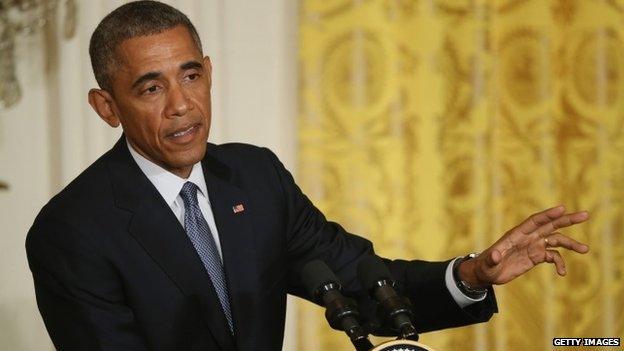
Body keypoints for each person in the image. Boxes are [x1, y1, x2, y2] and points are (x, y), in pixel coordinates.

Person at [25, 1, 590, 351]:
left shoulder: (254, 176)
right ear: (106, 106)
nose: (182, 104)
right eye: (151, 87)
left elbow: (361, 282)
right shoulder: (72, 230)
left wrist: (471, 274)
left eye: (191, 75)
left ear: (209, 74)